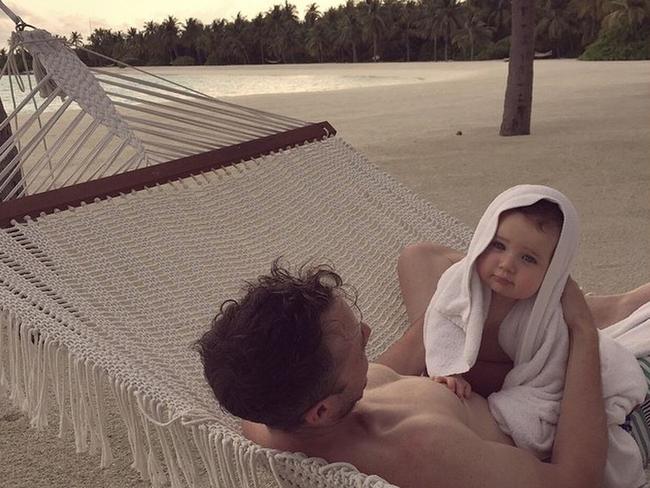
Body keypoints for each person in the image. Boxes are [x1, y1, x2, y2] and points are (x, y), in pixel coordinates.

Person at [194, 257, 650, 488]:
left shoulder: (267, 408)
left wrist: (466, 297)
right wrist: (581, 332)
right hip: (589, 420)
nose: (369, 331)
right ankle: (610, 313)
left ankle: (617, 307)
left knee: (431, 262)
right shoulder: (421, 449)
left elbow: (397, 358)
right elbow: (573, 479)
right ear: (321, 410)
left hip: (492, 388)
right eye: (357, 341)